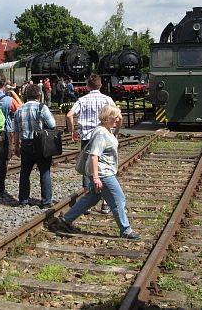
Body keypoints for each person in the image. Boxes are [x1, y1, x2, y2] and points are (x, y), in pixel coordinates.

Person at [50, 105, 140, 239]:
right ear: (108, 117)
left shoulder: (107, 130)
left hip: (105, 172)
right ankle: (126, 230)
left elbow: (118, 123)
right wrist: (96, 177)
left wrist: (118, 115)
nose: (118, 119)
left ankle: (66, 220)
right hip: (103, 174)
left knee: (92, 197)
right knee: (118, 198)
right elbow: (94, 155)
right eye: (115, 117)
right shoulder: (101, 133)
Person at [67, 73, 118, 214]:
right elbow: (119, 117)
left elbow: (69, 115)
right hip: (104, 138)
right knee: (106, 169)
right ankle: (105, 204)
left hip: (87, 138)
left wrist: (72, 131)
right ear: (101, 85)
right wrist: (115, 132)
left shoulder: (82, 100)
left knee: (87, 169)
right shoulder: (108, 100)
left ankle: (87, 202)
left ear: (87, 86)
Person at [13, 84, 57, 208]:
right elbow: (52, 124)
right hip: (41, 144)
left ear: (26, 95)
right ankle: (46, 201)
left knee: (25, 172)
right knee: (44, 171)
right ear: (39, 95)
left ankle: (23, 200)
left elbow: (16, 131)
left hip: (26, 143)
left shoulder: (19, 110)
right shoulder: (42, 108)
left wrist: (16, 146)